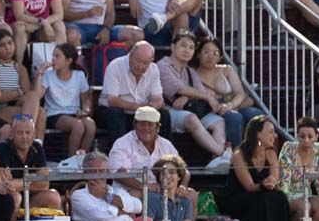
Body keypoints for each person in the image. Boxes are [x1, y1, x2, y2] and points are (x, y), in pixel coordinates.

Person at [158, 30, 232, 167]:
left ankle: (216, 161)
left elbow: (200, 91)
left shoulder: (190, 71)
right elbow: (179, 88)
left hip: (188, 108)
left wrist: (186, 97)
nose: (187, 50)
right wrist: (202, 96)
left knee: (219, 122)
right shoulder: (163, 66)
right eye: (183, 46)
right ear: (173, 47)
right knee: (191, 118)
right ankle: (224, 155)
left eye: (191, 47)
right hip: (168, 110)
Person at [220, 115, 291, 221]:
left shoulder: (271, 153)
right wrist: (263, 185)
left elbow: (275, 180)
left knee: (280, 197)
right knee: (260, 200)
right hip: (238, 196)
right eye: (270, 132)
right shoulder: (239, 155)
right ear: (258, 134)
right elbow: (250, 187)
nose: (275, 136)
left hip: (261, 193)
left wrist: (271, 183)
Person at [192, 36, 265, 150]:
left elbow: (240, 93)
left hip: (232, 104)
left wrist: (230, 105)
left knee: (256, 114)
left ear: (220, 56)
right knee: (234, 118)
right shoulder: (192, 72)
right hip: (209, 109)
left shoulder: (226, 70)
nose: (210, 56)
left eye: (215, 53)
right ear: (198, 54)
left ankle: (261, 153)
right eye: (206, 52)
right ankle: (237, 155)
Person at [0, 27, 46, 139]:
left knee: (35, 100)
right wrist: (19, 91)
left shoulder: (20, 68)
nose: (8, 47)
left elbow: (27, 94)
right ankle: (28, 139)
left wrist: (12, 93)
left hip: (17, 105)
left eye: (10, 43)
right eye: (2, 45)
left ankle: (36, 144)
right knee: (40, 113)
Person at [108, 106, 181, 197]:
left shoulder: (166, 145)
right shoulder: (122, 143)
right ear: (135, 125)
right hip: (131, 192)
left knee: (191, 194)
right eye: (142, 124)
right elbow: (118, 172)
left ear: (158, 127)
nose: (146, 128)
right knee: (138, 195)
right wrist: (144, 186)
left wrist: (182, 186)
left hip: (162, 191)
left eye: (150, 124)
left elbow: (183, 171)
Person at [101, 41, 166, 143]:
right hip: (113, 111)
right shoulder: (115, 66)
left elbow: (158, 99)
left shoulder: (154, 69)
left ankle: (165, 155)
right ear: (130, 55)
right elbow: (112, 100)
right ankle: (121, 153)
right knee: (115, 113)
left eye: (145, 63)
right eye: (138, 61)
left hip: (140, 113)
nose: (140, 66)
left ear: (151, 61)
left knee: (164, 114)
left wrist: (152, 107)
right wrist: (140, 108)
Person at [0, 115, 61, 210]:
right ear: (11, 134)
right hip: (7, 197)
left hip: (30, 196)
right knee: (16, 198)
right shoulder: (2, 148)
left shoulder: (37, 148)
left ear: (34, 134)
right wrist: (32, 179)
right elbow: (7, 185)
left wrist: (21, 182)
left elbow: (45, 184)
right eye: (20, 133)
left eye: (28, 132)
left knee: (53, 197)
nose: (24, 137)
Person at [70, 149, 144, 221]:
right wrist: (124, 212)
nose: (98, 175)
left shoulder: (116, 191)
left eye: (101, 171)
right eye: (93, 171)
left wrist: (107, 195)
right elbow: (97, 214)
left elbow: (138, 206)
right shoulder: (79, 195)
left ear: (108, 172)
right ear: (85, 173)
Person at [278, 116, 319, 221]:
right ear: (297, 136)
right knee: (304, 207)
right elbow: (284, 182)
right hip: (288, 195)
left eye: (310, 136)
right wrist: (289, 200)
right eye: (302, 137)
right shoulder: (288, 148)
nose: (306, 140)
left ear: (316, 137)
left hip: (307, 194)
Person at [40, 43, 96, 155]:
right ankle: (71, 162)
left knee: (90, 125)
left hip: (74, 113)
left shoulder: (79, 75)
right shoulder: (48, 75)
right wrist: (40, 73)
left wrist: (85, 110)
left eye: (57, 56)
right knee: (78, 126)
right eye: (53, 56)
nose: (53, 59)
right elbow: (38, 95)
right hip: (54, 113)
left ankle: (82, 159)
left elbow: (85, 99)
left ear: (68, 61)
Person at [147, 153, 196, 221]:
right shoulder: (152, 198)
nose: (167, 176)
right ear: (159, 177)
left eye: (172, 172)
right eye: (163, 173)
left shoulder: (185, 201)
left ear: (179, 176)